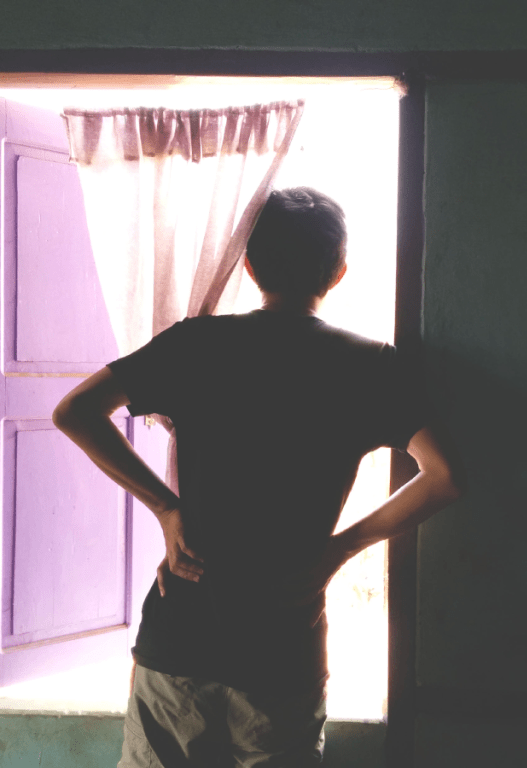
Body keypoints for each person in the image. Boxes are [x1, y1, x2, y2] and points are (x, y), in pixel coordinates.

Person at [52, 186, 462, 767]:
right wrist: (341, 548)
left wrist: (167, 508)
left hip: (182, 631)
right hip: (284, 642)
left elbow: (75, 412)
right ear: (338, 272)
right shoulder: (371, 364)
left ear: (249, 265)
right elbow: (444, 476)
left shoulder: (196, 342)